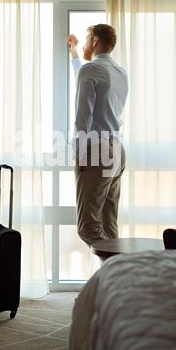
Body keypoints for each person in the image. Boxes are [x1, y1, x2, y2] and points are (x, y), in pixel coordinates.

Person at [67, 24, 128, 253]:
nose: (83, 44)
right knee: (108, 225)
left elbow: (83, 117)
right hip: (117, 151)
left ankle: (118, 270)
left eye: (86, 39)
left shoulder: (90, 71)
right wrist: (74, 56)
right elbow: (87, 83)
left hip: (97, 151)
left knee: (88, 228)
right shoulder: (120, 72)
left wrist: (79, 155)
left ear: (95, 41)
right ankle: (116, 282)